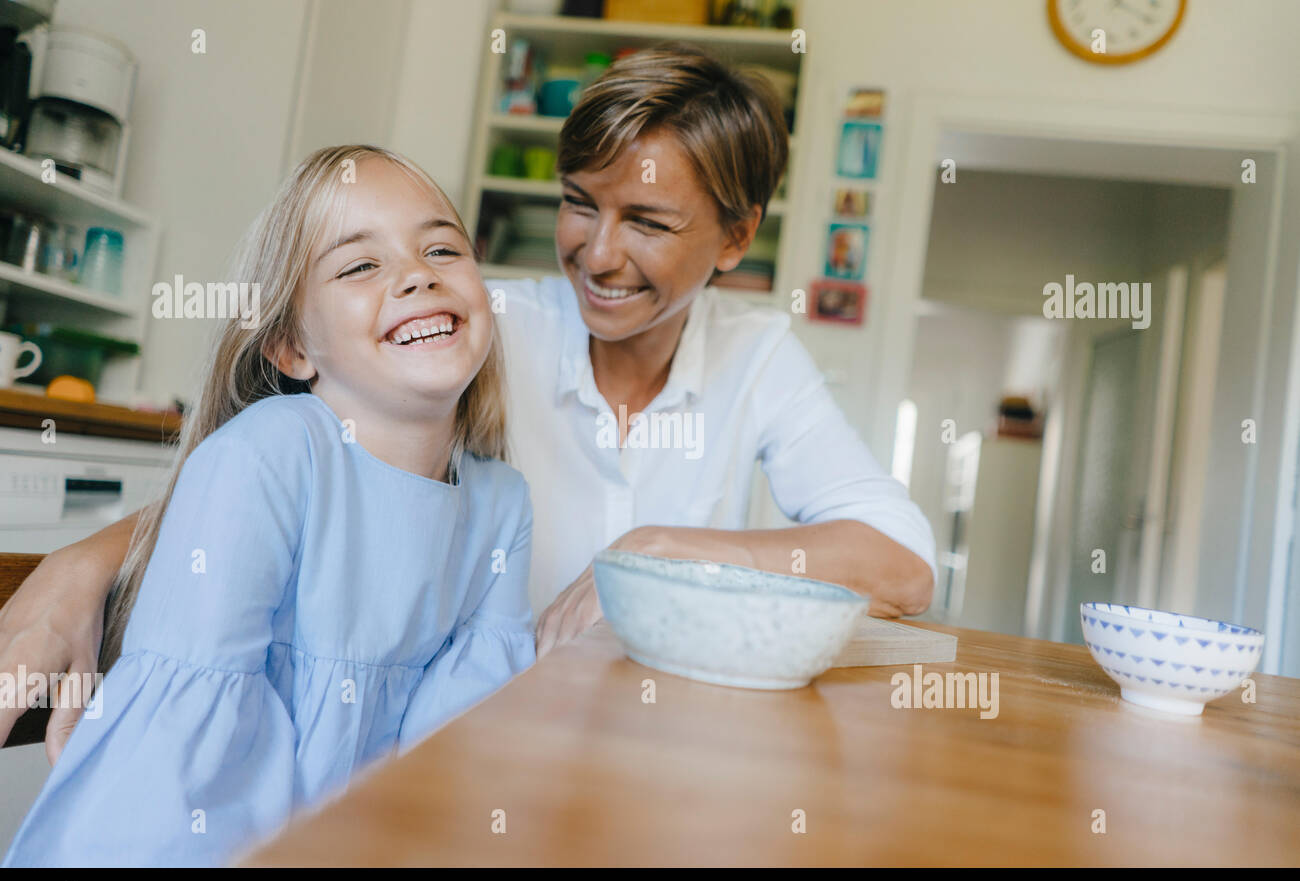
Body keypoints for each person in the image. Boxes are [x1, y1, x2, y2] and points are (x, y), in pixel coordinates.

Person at [0, 44, 935, 766]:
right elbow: (287, 465)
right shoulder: (479, 328)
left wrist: (666, 549)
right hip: (481, 745)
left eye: (648, 222)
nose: (599, 254)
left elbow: (903, 566)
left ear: (736, 237)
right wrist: (79, 565)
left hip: (654, 746)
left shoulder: (759, 356)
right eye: (581, 203)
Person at [2, 145, 534, 866]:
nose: (419, 274)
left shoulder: (502, 504)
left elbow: (463, 750)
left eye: (443, 247)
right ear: (290, 347)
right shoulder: (268, 456)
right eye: (360, 265)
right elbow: (181, 772)